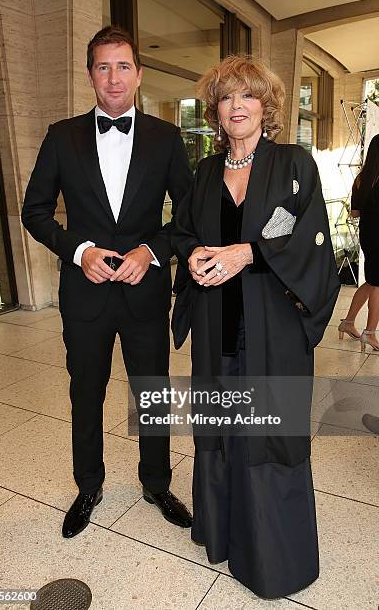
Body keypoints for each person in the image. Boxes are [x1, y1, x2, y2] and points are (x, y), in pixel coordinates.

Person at [171, 56, 340, 599]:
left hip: (274, 329)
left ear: (266, 106)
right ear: (216, 112)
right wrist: (193, 254)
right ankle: (223, 535)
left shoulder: (293, 164)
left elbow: (309, 236)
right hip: (218, 326)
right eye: (226, 97)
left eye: (247, 96)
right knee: (221, 430)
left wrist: (249, 252)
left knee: (268, 433)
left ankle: (273, 560)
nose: (237, 105)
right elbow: (180, 233)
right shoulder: (202, 173)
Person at [22, 26, 193, 539]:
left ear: (138, 75)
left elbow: (186, 214)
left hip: (144, 293)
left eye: (123, 67)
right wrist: (79, 251)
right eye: (103, 66)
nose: (113, 77)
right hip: (85, 294)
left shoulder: (166, 137)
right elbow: (34, 211)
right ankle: (88, 486)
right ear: (90, 74)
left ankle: (157, 483)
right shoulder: (62, 136)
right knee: (86, 392)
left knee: (152, 394)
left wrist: (152, 251)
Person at [338, 133, 379, 352]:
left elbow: (354, 213)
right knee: (378, 284)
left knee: (372, 281)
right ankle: (370, 334)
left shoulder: (361, 179)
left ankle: (348, 322)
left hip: (368, 234)